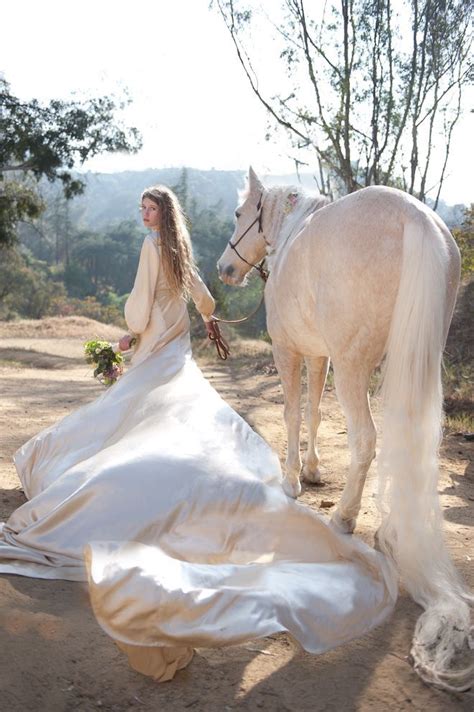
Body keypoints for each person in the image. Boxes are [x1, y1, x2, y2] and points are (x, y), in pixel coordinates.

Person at [0, 185, 397, 682]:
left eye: (148, 208)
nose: (143, 214)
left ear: (161, 214)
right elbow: (203, 298)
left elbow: (139, 310)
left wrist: (126, 337)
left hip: (153, 352)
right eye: (141, 207)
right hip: (178, 354)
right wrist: (210, 320)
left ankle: (119, 491)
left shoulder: (151, 248)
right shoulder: (179, 248)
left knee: (126, 421)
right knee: (170, 423)